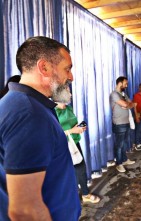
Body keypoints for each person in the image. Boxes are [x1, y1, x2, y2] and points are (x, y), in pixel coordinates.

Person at [0, 36, 81, 221]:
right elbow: (25, 210)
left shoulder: (26, 105)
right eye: (67, 69)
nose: (71, 77)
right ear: (44, 67)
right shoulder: (29, 114)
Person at [54, 87, 100, 204]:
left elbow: (72, 126)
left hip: (74, 143)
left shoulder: (69, 108)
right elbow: (53, 134)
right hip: (62, 146)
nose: (70, 94)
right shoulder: (53, 112)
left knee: (81, 169)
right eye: (68, 91)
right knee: (69, 173)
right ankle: (71, 198)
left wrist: (79, 128)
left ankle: (85, 194)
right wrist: (72, 131)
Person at [110, 76, 136, 173]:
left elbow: (132, 104)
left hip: (126, 122)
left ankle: (124, 160)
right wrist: (127, 105)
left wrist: (128, 105)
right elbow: (126, 105)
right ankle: (119, 163)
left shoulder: (124, 94)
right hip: (119, 123)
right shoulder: (114, 94)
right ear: (120, 83)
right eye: (125, 83)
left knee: (124, 143)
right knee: (119, 144)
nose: (126, 85)